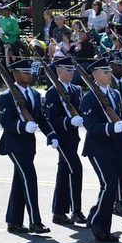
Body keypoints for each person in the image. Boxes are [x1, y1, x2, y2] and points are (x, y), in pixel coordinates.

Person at [81, 57, 122, 242]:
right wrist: (109, 128)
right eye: (105, 72)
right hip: (98, 149)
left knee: (110, 187)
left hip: (116, 148)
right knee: (109, 185)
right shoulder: (90, 97)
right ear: (95, 75)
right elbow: (91, 126)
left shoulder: (114, 94)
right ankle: (99, 226)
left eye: (109, 71)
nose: (109, 75)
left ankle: (97, 219)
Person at [0, 59, 58, 235]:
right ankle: (35, 221)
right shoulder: (6, 96)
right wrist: (22, 126)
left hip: (28, 145)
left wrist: (51, 134)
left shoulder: (34, 94)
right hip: (14, 144)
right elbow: (6, 122)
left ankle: (14, 221)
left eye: (29, 72)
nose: (29, 74)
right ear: (15, 74)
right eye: (25, 72)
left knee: (20, 181)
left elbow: (40, 118)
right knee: (30, 178)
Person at [43, 57, 86, 225]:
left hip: (73, 138)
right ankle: (76, 210)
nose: (71, 72)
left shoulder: (76, 90)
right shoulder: (53, 92)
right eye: (67, 70)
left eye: (72, 70)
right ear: (58, 72)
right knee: (75, 169)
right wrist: (68, 121)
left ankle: (59, 212)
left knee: (64, 172)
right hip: (61, 138)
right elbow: (50, 119)